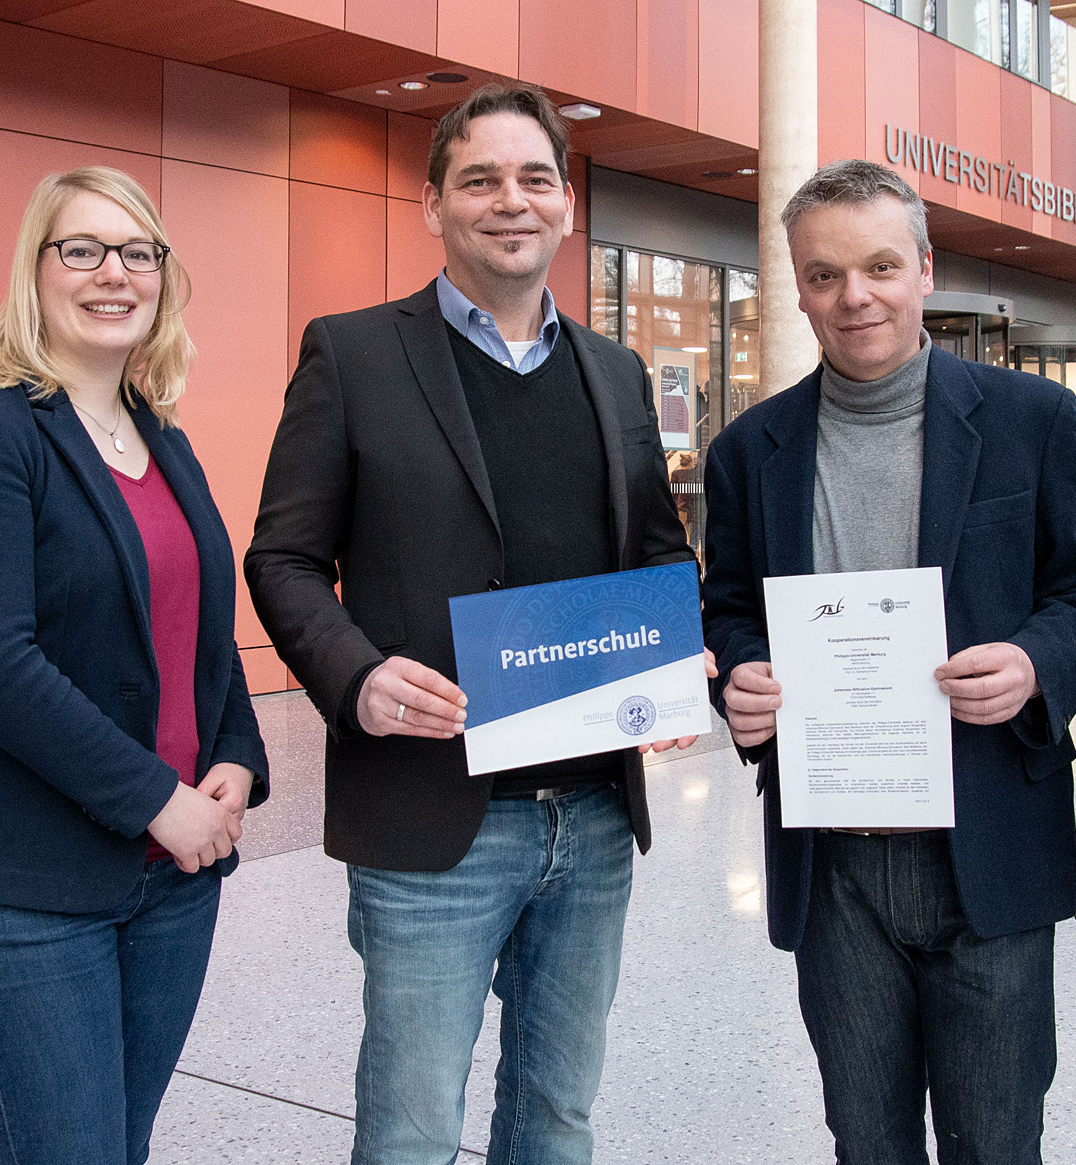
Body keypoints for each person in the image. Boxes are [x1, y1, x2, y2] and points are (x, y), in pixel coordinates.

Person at [244, 85, 702, 1165]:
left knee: (557, 1118)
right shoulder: (351, 355)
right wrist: (355, 674)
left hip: (591, 820)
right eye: (481, 179)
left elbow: (654, 553)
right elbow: (283, 556)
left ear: (567, 206)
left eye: (535, 178)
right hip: (431, 821)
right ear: (432, 203)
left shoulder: (615, 371)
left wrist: (674, 657)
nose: (512, 201)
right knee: (409, 1132)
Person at [700, 159, 1076, 1164]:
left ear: (924, 268)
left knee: (996, 1140)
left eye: (880, 265)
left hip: (988, 847)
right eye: (826, 274)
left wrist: (1029, 662)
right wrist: (740, 678)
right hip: (833, 859)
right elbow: (729, 609)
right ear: (796, 286)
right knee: (865, 1140)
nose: (855, 296)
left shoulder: (1031, 421)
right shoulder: (749, 450)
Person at [0, 166, 270, 1165]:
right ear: (37, 271)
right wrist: (158, 796)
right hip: (21, 891)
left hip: (172, 884)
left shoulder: (160, 437)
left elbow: (201, 631)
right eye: (83, 249)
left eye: (138, 252)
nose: (115, 272)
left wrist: (235, 755)